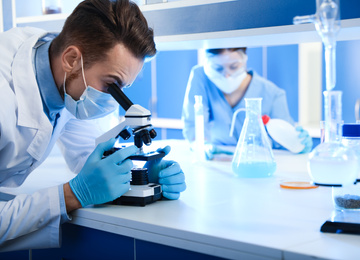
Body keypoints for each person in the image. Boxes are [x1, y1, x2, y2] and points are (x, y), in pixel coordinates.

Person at [0, 0, 186, 251]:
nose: (113, 101)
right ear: (71, 59)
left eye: (123, 89)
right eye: (111, 85)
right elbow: (83, 186)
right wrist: (73, 195)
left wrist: (140, 175)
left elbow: (90, 159)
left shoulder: (67, 78)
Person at [182, 47, 312, 159]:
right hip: (216, 162)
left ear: (244, 61)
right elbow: (193, 126)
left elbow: (284, 142)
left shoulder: (272, 93)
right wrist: (201, 146)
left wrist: (299, 143)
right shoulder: (201, 77)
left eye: (234, 66)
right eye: (218, 68)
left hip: (257, 165)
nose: (226, 75)